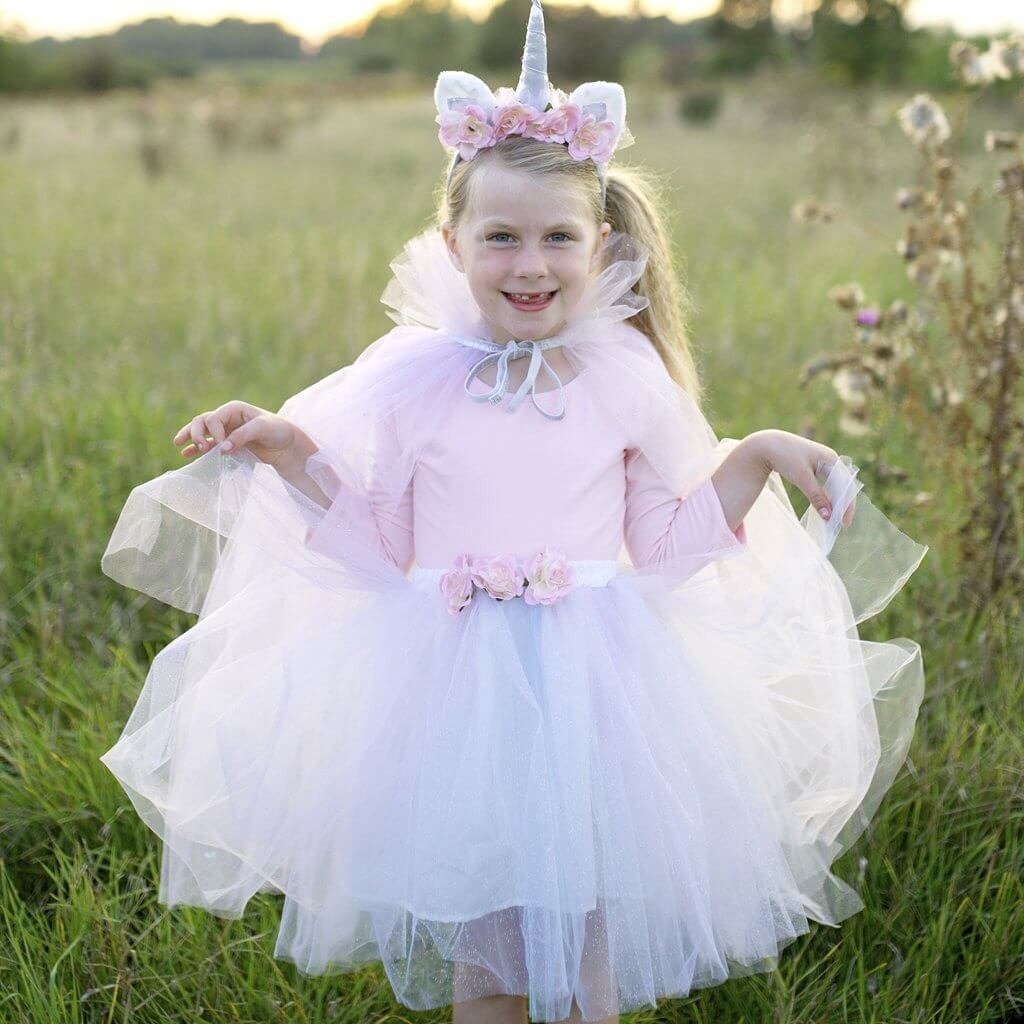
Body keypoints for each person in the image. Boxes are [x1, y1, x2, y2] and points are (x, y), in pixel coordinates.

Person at [99, 2, 929, 1022]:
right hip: (453, 691)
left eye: (555, 239)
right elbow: (383, 547)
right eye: (500, 238)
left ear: (599, 243)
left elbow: (662, 553)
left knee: (584, 954)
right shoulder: (412, 385)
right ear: (451, 245)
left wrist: (754, 457)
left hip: (599, 690)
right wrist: (284, 451)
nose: (528, 266)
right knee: (486, 949)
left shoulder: (625, 382)